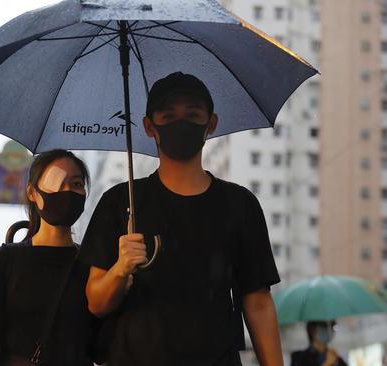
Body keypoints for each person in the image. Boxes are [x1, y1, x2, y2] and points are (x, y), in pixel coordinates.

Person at [80, 72, 284, 365]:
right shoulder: (120, 201)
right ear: (149, 127)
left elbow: (258, 301)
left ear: (210, 124)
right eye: (168, 115)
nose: (181, 123)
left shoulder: (240, 204)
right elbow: (96, 302)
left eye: (192, 114)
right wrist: (121, 268)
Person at [0, 149, 98, 366]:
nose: (67, 191)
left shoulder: (92, 265)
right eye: (56, 182)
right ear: (32, 193)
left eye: (77, 184)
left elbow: (100, 348)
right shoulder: (4, 260)